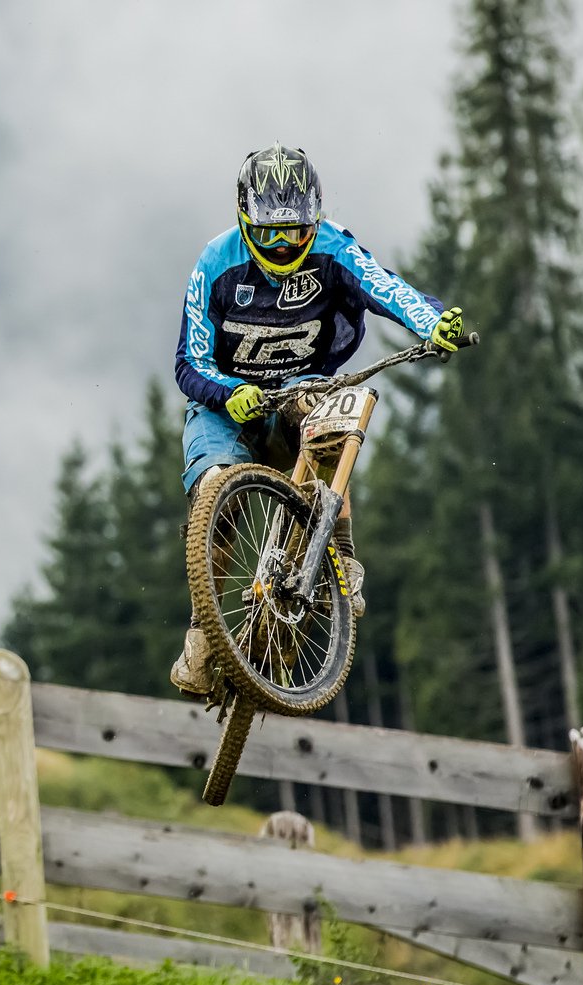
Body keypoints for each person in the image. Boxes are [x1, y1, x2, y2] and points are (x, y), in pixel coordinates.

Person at [168, 144, 465, 698]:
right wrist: (226, 394)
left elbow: (388, 290)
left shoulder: (333, 247)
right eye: (270, 233)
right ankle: (203, 634)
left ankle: (342, 558)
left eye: (296, 231)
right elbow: (188, 362)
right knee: (215, 493)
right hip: (224, 403)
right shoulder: (215, 263)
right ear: (243, 219)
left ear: (316, 218)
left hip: (303, 387)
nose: (284, 244)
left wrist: (432, 322)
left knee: (330, 422)